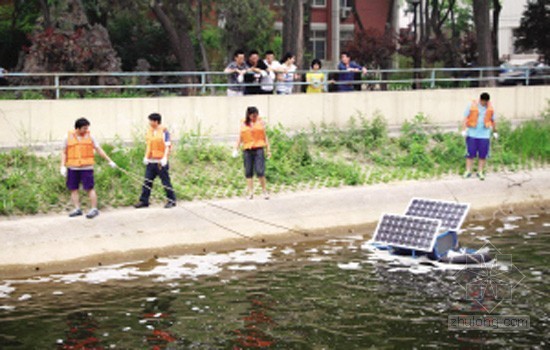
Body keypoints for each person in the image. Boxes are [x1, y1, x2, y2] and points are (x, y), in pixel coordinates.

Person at [60, 118, 117, 219]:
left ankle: (94, 209)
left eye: (87, 128)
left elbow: (99, 149)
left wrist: (109, 161)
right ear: (77, 128)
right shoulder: (67, 137)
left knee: (90, 188)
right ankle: (77, 209)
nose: (86, 130)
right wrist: (62, 166)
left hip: (87, 167)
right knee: (73, 188)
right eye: (84, 128)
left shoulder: (90, 136)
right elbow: (63, 152)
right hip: (73, 167)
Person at [135, 113, 177, 208]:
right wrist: (146, 157)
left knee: (165, 182)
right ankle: (144, 201)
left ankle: (171, 200)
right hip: (151, 162)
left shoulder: (164, 132)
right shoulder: (149, 131)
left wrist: (165, 158)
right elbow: (148, 145)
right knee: (147, 181)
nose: (149, 123)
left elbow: (167, 145)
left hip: (160, 162)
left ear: (156, 121)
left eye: (151, 121)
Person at [234, 107, 272, 199]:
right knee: (248, 172)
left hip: (258, 148)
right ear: (248, 115)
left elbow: (265, 136)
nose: (254, 117)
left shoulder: (260, 123)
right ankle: (250, 193)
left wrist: (268, 149)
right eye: (252, 116)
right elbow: (240, 137)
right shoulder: (243, 124)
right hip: (247, 149)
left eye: (256, 115)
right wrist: (236, 148)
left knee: (260, 171)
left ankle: (264, 191)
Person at [461, 92, 498, 181]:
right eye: (483, 102)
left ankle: (480, 171)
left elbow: (493, 120)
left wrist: (495, 131)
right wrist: (463, 130)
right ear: (480, 99)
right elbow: (465, 118)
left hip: (484, 135)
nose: (484, 104)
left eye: (486, 102)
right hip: (472, 133)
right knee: (470, 154)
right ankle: (468, 171)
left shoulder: (490, 108)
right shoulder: (471, 105)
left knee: (483, 154)